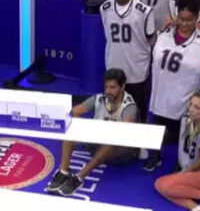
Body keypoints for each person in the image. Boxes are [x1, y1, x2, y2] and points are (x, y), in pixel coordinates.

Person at [145, 0, 200, 171]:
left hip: (185, 98)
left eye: (189, 20)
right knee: (157, 128)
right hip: (161, 93)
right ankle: (154, 157)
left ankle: (183, 161)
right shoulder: (163, 36)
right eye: (181, 19)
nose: (184, 24)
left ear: (197, 18)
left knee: (185, 134)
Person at [45, 68, 138, 196]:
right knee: (71, 125)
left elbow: (125, 133)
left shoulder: (129, 106)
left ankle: (78, 178)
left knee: (113, 140)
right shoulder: (100, 98)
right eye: (106, 87)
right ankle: (63, 172)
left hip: (119, 152)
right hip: (98, 141)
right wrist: (80, 125)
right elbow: (74, 112)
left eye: (113, 87)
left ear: (122, 87)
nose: (108, 91)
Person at [100, 0, 155, 122]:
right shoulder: (105, 8)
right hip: (113, 66)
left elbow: (151, 38)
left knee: (137, 112)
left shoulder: (144, 11)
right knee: (112, 110)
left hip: (137, 70)